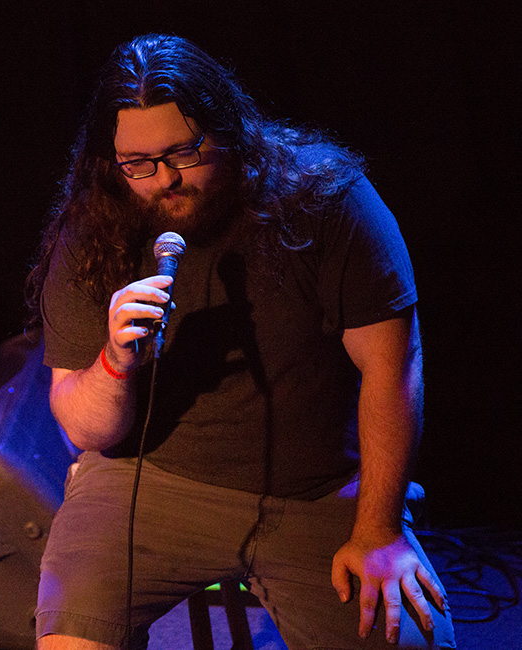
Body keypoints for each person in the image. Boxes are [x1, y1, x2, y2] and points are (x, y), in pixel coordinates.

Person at [26, 34, 456, 649]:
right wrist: (116, 361)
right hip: (150, 483)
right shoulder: (94, 228)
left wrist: (378, 532)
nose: (165, 179)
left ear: (228, 129)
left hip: (317, 495)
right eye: (138, 164)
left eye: (183, 151)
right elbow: (88, 430)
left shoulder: (328, 203)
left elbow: (394, 368)